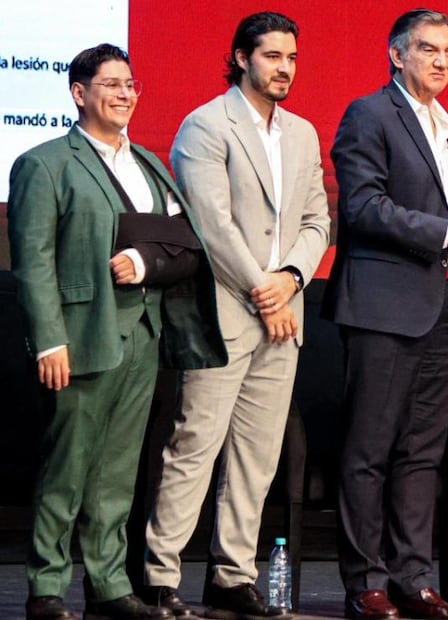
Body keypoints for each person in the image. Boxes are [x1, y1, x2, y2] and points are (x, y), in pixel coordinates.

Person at [7, 43, 226, 620]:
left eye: (130, 84)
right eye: (111, 84)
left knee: (118, 471)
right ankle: (47, 587)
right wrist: (49, 340)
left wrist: (146, 261)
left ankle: (107, 585)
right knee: (67, 468)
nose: (125, 94)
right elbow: (33, 261)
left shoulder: (148, 162)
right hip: (80, 336)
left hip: (144, 336)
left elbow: (182, 245)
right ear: (79, 93)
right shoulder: (44, 163)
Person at [142, 12, 330, 619]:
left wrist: (291, 279)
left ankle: (232, 576)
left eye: (292, 58)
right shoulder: (205, 124)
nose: (285, 68)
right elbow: (211, 225)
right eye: (273, 56)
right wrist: (263, 291)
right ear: (242, 58)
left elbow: (317, 221)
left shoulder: (302, 133)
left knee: (258, 455)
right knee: (194, 445)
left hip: (285, 312)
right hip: (225, 310)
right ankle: (159, 575)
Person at [322, 8, 448, 620]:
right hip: (384, 306)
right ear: (397, 55)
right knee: (369, 451)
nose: (441, 60)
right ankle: (365, 583)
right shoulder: (370, 114)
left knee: (423, 453)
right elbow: (363, 207)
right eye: (428, 49)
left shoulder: (442, 123)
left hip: (444, 304)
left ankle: (414, 579)